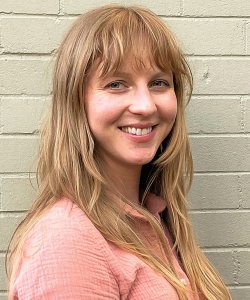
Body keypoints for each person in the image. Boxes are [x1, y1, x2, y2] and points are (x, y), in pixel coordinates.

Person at [6, 4, 231, 300]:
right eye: (116, 84)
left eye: (159, 83)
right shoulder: (68, 241)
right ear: (76, 102)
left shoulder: (154, 217)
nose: (146, 105)